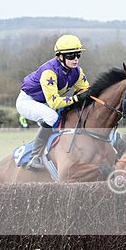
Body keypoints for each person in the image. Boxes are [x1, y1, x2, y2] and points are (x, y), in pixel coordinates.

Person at [17, 34, 90, 170]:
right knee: (52, 117)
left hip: (46, 101)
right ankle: (34, 157)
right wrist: (76, 98)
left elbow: (85, 90)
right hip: (28, 101)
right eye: (71, 55)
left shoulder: (77, 72)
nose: (75, 59)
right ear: (60, 56)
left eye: (78, 55)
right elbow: (54, 103)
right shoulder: (49, 72)